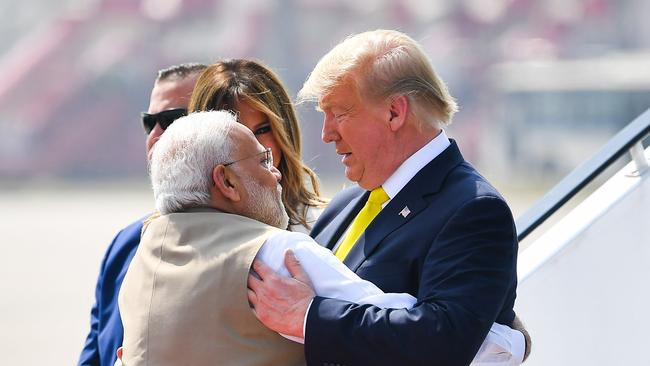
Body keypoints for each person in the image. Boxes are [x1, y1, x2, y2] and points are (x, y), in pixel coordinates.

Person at [118, 111, 524, 365]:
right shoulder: (277, 254)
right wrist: (510, 339)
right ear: (225, 181)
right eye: (261, 160)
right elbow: (418, 336)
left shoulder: (142, 262)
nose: (275, 172)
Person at [247, 29, 530, 366]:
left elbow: (445, 339)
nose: (326, 134)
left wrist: (310, 316)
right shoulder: (346, 204)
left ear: (395, 112)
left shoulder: (474, 209)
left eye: (338, 113)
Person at [77, 63, 207, 366]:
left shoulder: (259, 244)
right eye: (150, 123)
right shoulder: (124, 245)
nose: (157, 135)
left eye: (173, 119)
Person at [187, 59, 327, 233]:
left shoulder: (324, 228)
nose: (255, 147)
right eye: (236, 134)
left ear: (285, 131)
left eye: (263, 130)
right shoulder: (170, 235)